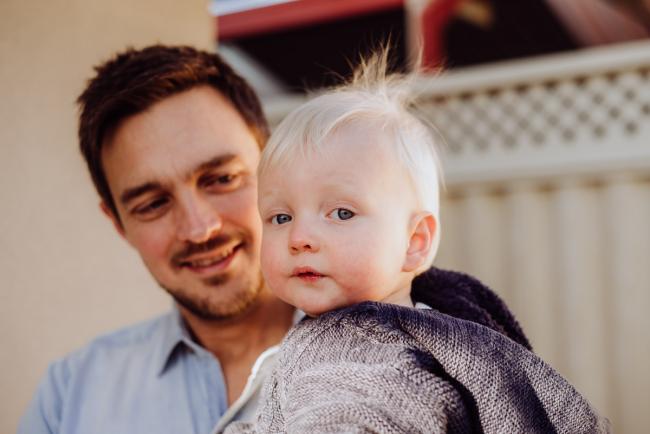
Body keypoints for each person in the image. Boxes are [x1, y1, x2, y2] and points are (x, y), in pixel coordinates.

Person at [225, 53, 609, 433]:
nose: (299, 238)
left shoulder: (351, 352)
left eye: (341, 213)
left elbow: (353, 416)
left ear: (415, 241)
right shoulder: (448, 320)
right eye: (281, 217)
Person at [18, 45, 296, 434]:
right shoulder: (67, 398)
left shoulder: (397, 350)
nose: (200, 229)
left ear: (273, 167)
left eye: (221, 179)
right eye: (153, 204)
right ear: (118, 224)